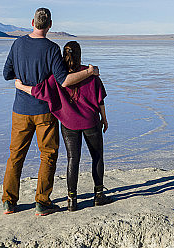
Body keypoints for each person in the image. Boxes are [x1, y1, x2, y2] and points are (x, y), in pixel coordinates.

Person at [2, 8, 98, 216]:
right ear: (50, 25)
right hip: (45, 111)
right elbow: (64, 80)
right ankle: (42, 202)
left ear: (32, 22)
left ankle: (9, 202)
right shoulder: (52, 49)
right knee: (48, 155)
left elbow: (6, 73)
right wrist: (89, 72)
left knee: (16, 155)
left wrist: (22, 80)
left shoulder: (17, 44)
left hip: (20, 110)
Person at [15, 40, 110, 212]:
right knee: (97, 157)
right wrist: (104, 118)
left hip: (69, 124)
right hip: (91, 122)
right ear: (79, 55)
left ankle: (71, 200)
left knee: (73, 159)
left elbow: (38, 91)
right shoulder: (90, 74)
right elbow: (100, 99)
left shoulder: (56, 78)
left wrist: (21, 86)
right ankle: (98, 195)